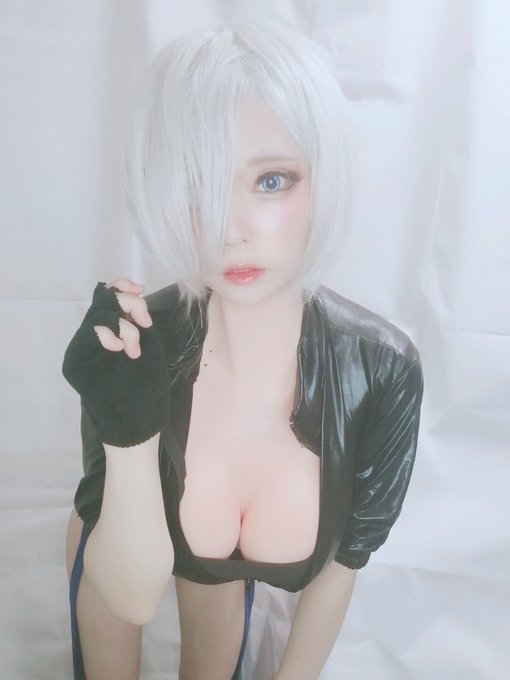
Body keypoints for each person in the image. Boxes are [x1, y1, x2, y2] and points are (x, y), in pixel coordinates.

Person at [62, 20, 424, 680]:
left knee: (214, 641)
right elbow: (131, 597)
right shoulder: (132, 343)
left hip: (216, 580)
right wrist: (127, 426)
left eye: (271, 181)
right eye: (197, 184)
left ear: (323, 176)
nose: (230, 230)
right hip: (118, 558)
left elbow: (344, 564)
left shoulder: (382, 371)